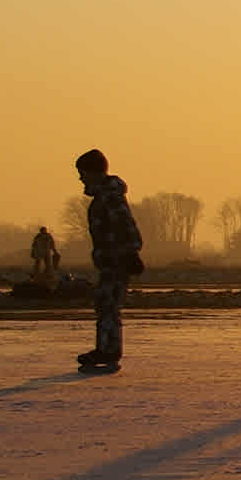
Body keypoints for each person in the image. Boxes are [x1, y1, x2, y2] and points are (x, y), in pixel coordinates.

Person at [74, 150, 143, 370]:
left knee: (108, 304)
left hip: (117, 260)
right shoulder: (103, 197)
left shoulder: (109, 197)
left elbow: (126, 225)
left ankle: (108, 350)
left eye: (82, 173)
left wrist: (131, 253)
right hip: (109, 260)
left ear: (93, 172)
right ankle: (107, 348)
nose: (80, 178)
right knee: (106, 304)